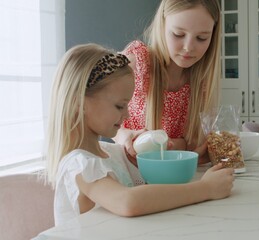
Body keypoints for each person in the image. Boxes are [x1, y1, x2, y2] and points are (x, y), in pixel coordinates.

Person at [45, 43, 234, 226]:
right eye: (119, 105)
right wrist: (205, 189)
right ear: (80, 104)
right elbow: (128, 202)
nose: (127, 114)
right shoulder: (78, 164)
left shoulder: (111, 153)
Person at [114, 0, 221, 165]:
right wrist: (123, 135)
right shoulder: (136, 64)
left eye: (201, 38)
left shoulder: (201, 80)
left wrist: (184, 146)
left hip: (172, 177)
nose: (188, 47)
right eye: (178, 34)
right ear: (162, 25)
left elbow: (193, 143)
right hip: (128, 172)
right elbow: (101, 119)